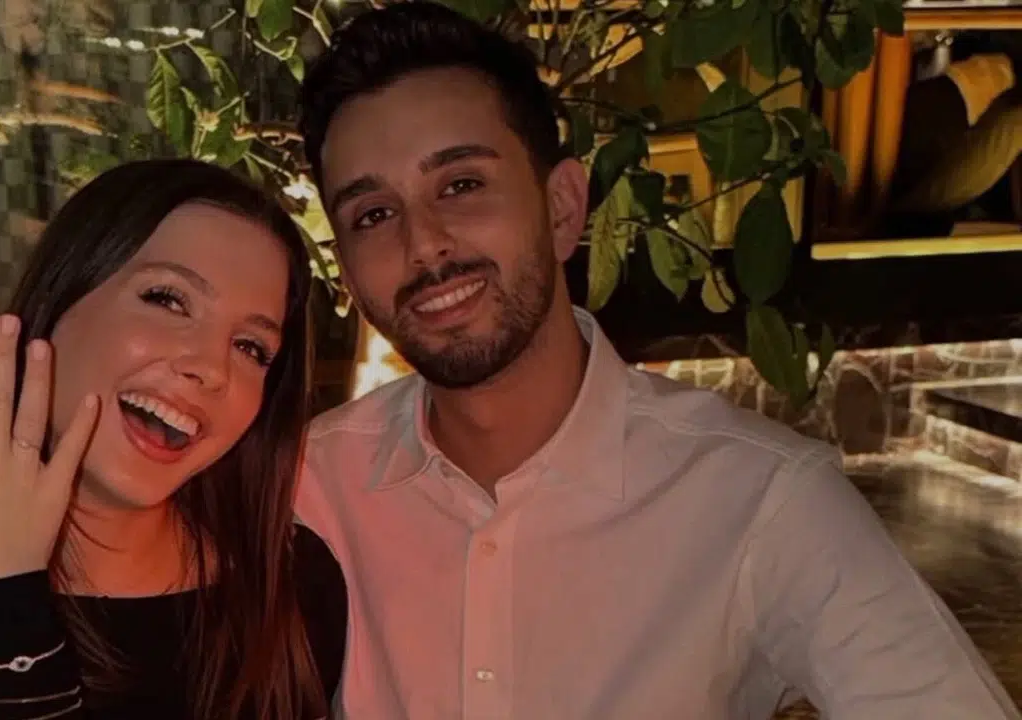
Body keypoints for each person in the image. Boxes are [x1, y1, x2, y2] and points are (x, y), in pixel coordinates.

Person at [291, 3, 1021, 719]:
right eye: (373, 215)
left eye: (461, 185)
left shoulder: (757, 499)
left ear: (562, 207)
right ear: (345, 268)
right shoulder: (308, 485)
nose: (423, 244)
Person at [0, 159, 346, 720]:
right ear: (58, 302)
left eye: (251, 347)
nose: (211, 368)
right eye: (168, 300)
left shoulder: (294, 586)